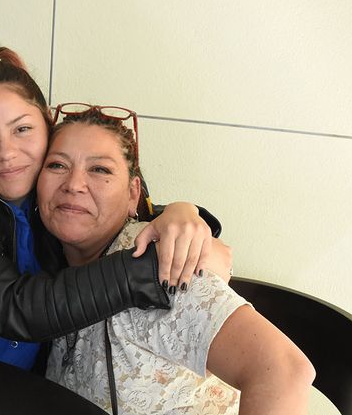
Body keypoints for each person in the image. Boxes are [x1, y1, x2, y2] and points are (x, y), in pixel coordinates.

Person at [0, 47, 231, 373]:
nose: (7, 153)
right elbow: (17, 309)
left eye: (22, 129)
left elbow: (127, 205)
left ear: (47, 126)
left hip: (12, 391)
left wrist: (186, 216)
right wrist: (149, 271)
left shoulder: (57, 178)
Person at [38, 107, 315, 414]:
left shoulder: (159, 261)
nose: (74, 184)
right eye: (57, 165)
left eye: (100, 170)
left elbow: (285, 371)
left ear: (133, 195)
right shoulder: (43, 258)